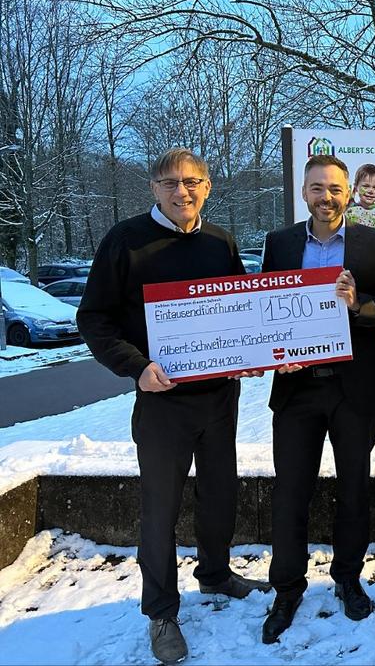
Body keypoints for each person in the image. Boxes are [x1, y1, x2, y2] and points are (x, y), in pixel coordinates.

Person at [77, 148, 270, 665]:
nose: (181, 191)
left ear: (207, 186)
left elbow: (238, 311)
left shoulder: (220, 241)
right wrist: (136, 367)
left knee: (220, 493)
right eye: (169, 182)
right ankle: (161, 610)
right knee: (160, 509)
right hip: (161, 401)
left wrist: (250, 355)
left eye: (191, 182)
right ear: (153, 188)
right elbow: (93, 319)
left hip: (219, 397)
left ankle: (215, 573)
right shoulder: (125, 241)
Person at [260, 154, 375, 643]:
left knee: (354, 489)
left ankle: (348, 577)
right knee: (290, 491)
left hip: (355, 388)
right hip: (297, 388)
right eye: (317, 188)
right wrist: (274, 350)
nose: (326, 197)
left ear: (348, 193)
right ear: (304, 192)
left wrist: (358, 304)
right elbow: (265, 308)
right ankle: (287, 588)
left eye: (334, 189)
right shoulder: (280, 243)